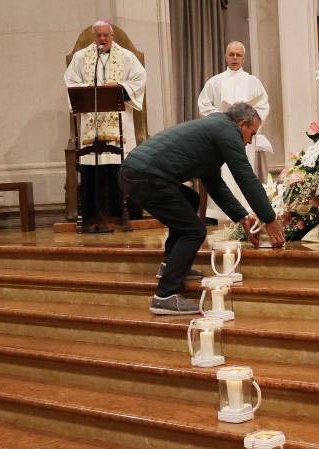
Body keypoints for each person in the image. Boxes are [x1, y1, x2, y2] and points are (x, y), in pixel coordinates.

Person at [120, 103, 285, 315]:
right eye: (251, 133)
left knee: (190, 199)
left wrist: (242, 217)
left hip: (136, 172)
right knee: (194, 231)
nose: (250, 141)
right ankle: (165, 295)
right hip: (146, 177)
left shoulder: (216, 127)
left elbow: (214, 184)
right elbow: (245, 177)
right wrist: (269, 219)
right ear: (242, 124)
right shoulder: (228, 132)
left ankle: (170, 264)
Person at [64, 19, 146, 233]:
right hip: (91, 127)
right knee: (92, 168)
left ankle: (118, 217)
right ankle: (92, 219)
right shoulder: (81, 58)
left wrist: (119, 87)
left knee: (117, 168)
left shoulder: (126, 57)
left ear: (112, 35)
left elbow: (139, 80)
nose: (102, 39)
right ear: (94, 37)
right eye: (98, 35)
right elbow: (71, 83)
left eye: (105, 35)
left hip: (119, 125)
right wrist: (88, 88)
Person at [197, 41, 272, 224]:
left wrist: (249, 124)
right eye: (231, 54)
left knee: (243, 171)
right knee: (222, 172)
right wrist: (222, 117)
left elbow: (262, 106)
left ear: (243, 58)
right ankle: (218, 213)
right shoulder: (215, 82)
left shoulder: (253, 82)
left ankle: (246, 212)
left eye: (238, 55)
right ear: (226, 57)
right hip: (221, 135)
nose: (235, 58)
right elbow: (204, 105)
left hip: (244, 135)